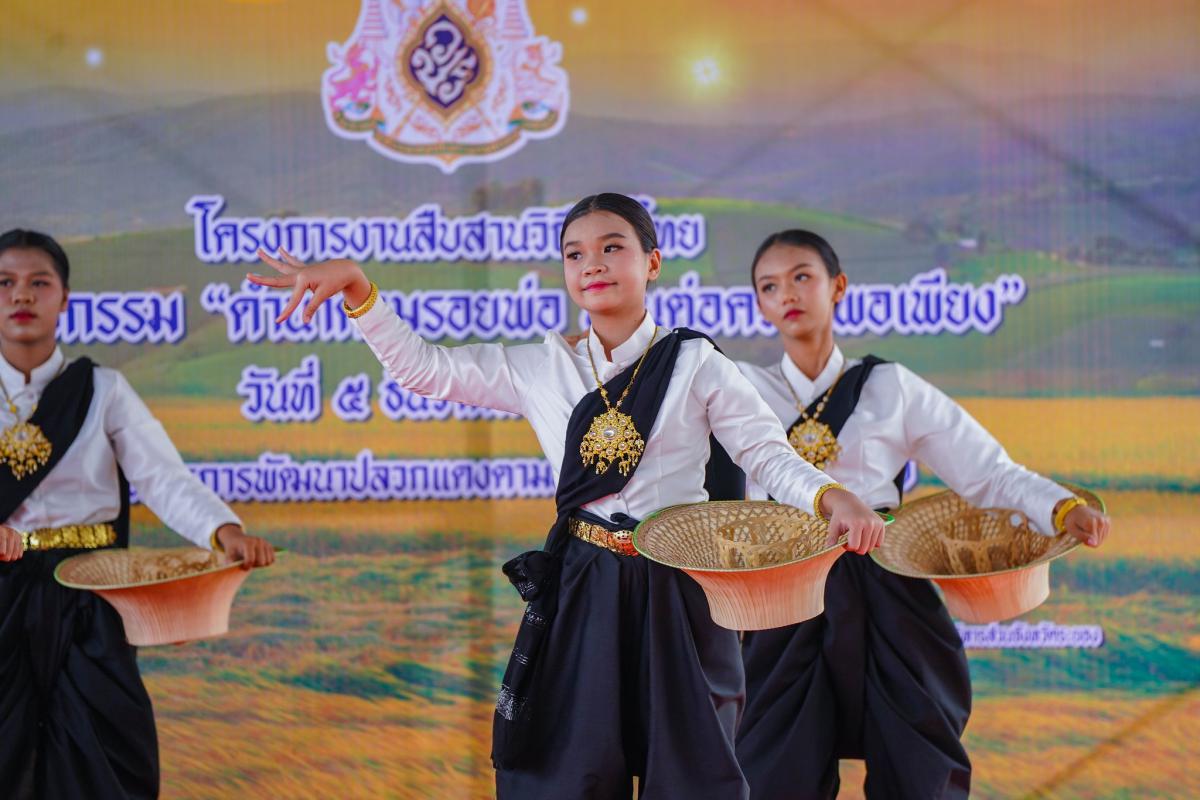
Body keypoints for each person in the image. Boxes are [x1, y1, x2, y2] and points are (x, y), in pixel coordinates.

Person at [250, 194, 886, 799]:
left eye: (612, 248)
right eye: (575, 254)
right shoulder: (539, 367)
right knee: (571, 772)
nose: (593, 265)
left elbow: (765, 453)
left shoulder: (694, 362)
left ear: (652, 262)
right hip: (585, 584)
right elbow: (424, 368)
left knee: (693, 772)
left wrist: (833, 498)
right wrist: (358, 290)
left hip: (682, 585)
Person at [732, 229, 1110, 799]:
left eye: (802, 276)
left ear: (838, 287)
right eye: (769, 286)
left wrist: (1059, 508)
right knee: (774, 772)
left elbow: (986, 471)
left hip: (887, 581)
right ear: (759, 304)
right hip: (788, 585)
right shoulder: (742, 387)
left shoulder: (891, 387)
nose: (786, 293)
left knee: (920, 767)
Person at [0, 228, 275, 799]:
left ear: (64, 298)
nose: (21, 295)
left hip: (91, 594)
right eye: (4, 283)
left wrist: (222, 529)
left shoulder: (103, 390)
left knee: (107, 753)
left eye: (38, 283)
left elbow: (162, 477)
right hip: (1, 594)